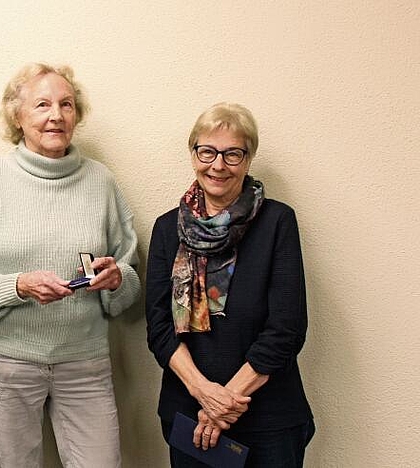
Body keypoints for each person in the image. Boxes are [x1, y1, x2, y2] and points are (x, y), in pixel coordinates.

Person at [0, 63, 140, 467]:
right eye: (42, 105)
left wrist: (116, 279)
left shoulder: (101, 181)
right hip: (6, 363)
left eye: (66, 105)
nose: (56, 116)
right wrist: (18, 286)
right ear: (18, 116)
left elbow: (131, 274)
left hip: (85, 361)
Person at [145, 102, 315, 467]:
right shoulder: (166, 228)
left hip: (269, 419)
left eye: (232, 154)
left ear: (249, 159)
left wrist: (224, 402)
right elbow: (159, 329)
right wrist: (203, 393)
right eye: (207, 151)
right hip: (189, 414)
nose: (218, 165)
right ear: (194, 155)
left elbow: (287, 329)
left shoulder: (277, 222)